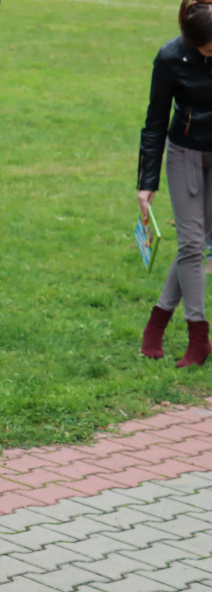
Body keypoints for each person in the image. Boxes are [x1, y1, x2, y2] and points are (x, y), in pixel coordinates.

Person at [140, 0, 212, 368]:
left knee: (195, 244)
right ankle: (199, 335)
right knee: (191, 243)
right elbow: (154, 121)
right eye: (209, 48)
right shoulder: (170, 58)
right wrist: (146, 181)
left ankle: (157, 319)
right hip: (184, 153)